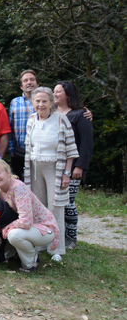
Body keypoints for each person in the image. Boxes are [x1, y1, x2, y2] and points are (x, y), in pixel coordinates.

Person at [24, 86, 78, 262]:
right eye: (37, 101)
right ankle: (40, 243)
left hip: (55, 167)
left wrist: (66, 173)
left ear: (51, 102)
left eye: (44, 101)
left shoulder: (61, 119)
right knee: (38, 206)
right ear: (33, 102)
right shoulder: (31, 119)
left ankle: (56, 248)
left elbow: (71, 148)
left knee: (55, 207)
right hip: (34, 167)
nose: (40, 104)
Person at [0, 159, 59, 273]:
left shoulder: (18, 187)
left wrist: (3, 228)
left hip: (42, 228)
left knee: (14, 235)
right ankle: (14, 254)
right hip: (19, 225)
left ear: (7, 173)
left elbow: (26, 221)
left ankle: (31, 261)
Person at [54, 81, 93, 249]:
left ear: (68, 94)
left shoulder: (80, 115)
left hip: (73, 168)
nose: (54, 94)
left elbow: (87, 143)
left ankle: (71, 238)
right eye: (54, 92)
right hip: (54, 167)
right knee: (56, 203)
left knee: (68, 202)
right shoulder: (52, 114)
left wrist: (80, 166)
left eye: (58, 92)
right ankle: (58, 235)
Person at [8, 70, 38, 178]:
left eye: (32, 80)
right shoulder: (15, 102)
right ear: (21, 86)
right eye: (26, 80)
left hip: (40, 151)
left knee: (38, 184)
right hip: (19, 152)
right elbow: (10, 127)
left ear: (37, 83)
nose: (29, 82)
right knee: (20, 185)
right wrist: (11, 150)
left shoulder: (45, 101)